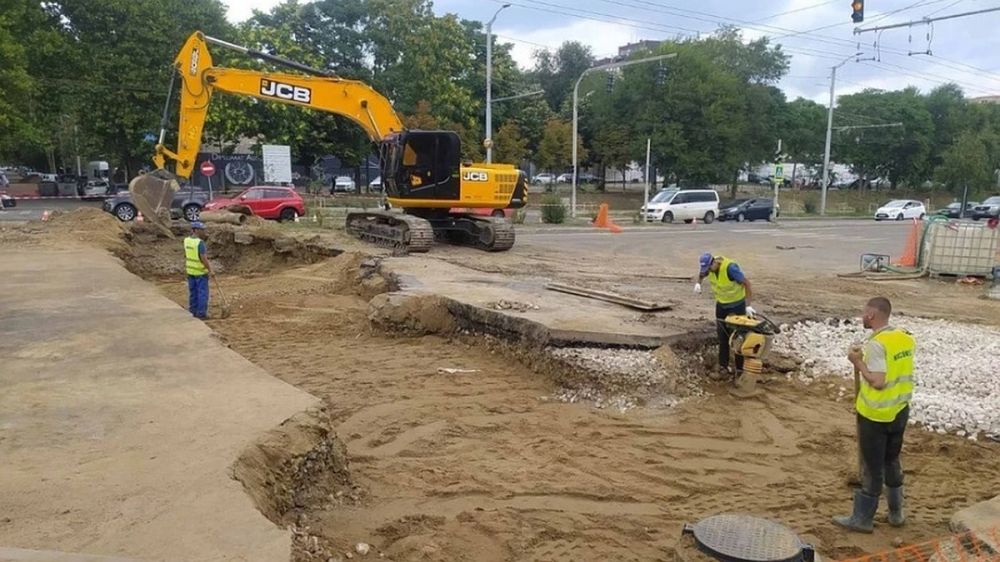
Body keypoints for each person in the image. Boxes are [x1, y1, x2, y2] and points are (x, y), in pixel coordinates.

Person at [833, 296, 914, 533]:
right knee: (892, 459)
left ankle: (862, 519)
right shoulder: (904, 339)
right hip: (900, 410)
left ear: (871, 315)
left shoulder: (877, 345)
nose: (861, 317)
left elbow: (878, 381)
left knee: (871, 466)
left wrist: (857, 362)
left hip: (876, 415)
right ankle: (896, 513)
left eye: (863, 313)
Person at [694, 253, 755, 376]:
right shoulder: (709, 269)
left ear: (714, 262)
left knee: (738, 338)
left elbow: (747, 284)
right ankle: (723, 366)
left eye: (709, 268)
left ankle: (740, 370)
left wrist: (748, 305)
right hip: (721, 306)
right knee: (722, 338)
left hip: (737, 306)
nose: (708, 271)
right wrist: (698, 283)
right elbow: (702, 274)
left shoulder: (730, 268)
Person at [184, 221, 211, 319]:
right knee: (202, 293)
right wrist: (210, 269)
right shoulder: (200, 243)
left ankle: (193, 311)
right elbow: (203, 258)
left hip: (190, 271)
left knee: (193, 293)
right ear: (195, 230)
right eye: (201, 230)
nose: (203, 232)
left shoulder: (186, 240)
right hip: (200, 272)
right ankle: (201, 313)